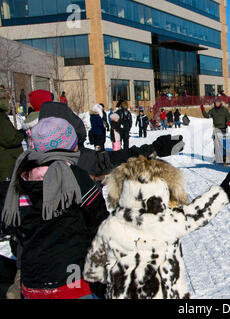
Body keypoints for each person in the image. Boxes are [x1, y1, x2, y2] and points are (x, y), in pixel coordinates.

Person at [83, 157, 230, 299]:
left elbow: (94, 268)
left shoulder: (111, 225)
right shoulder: (168, 222)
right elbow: (193, 215)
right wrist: (221, 194)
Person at [1, 117, 109, 299]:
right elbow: (100, 225)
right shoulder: (76, 178)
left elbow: (13, 227)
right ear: (66, 146)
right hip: (73, 282)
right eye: (74, 143)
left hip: (32, 282)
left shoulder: (19, 180)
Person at [39, 101, 184, 178]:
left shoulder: (23, 167)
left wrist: (153, 148)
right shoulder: (78, 162)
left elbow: (111, 159)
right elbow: (109, 161)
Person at [0, 88, 25, 181]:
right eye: (4, 99)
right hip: (6, 165)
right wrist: (20, 134)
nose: (8, 103)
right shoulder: (1, 118)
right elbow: (10, 139)